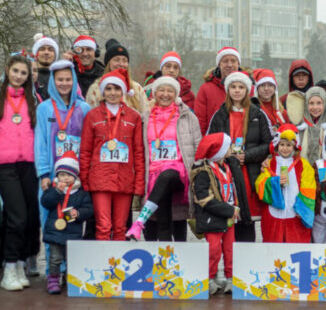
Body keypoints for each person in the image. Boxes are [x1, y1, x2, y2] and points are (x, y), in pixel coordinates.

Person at [125, 77, 201, 241]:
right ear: (154, 93)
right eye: (161, 90)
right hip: (153, 173)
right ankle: (164, 245)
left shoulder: (187, 117)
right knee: (162, 187)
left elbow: (198, 149)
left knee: (166, 176)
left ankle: (140, 221)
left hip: (179, 173)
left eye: (170, 91)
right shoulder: (144, 118)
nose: (165, 94)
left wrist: (197, 177)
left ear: (176, 94)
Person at [34, 59, 91, 275]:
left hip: (75, 178)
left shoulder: (84, 108)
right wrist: (42, 174)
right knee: (50, 222)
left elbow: (88, 142)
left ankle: (71, 271)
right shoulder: (44, 108)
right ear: (53, 81)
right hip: (52, 175)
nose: (64, 83)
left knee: (73, 222)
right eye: (60, 80)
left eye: (68, 79)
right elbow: (40, 142)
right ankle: (53, 270)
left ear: (74, 80)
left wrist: (84, 174)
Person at [79, 68, 145, 240]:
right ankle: (104, 264)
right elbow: (85, 151)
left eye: (117, 88)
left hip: (124, 181)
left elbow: (138, 152)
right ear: (102, 92)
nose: (113, 93)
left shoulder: (133, 117)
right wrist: (85, 180)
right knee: (103, 226)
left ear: (123, 90)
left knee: (120, 227)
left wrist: (139, 183)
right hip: (99, 180)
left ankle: (117, 266)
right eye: (108, 89)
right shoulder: (92, 116)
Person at [207, 71, 272, 242]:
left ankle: (246, 262)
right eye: (233, 87)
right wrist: (227, 156)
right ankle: (230, 263)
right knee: (230, 219)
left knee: (247, 220)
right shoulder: (219, 115)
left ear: (247, 90)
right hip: (226, 174)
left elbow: (269, 145)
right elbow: (211, 143)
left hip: (248, 173)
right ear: (228, 90)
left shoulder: (258, 114)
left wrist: (248, 155)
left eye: (241, 87)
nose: (237, 90)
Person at [190, 133, 251, 295]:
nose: (231, 149)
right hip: (214, 218)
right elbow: (203, 199)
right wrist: (229, 210)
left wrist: (236, 209)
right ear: (219, 151)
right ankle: (209, 278)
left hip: (230, 217)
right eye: (228, 147)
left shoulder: (228, 165)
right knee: (214, 250)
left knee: (230, 249)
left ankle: (231, 278)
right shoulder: (203, 171)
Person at [0, 55, 40, 291]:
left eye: (23, 73)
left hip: (29, 164)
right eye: (15, 71)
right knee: (17, 217)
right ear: (7, 70)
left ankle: (19, 264)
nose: (18, 76)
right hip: (5, 166)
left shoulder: (32, 100)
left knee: (28, 217)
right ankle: (9, 268)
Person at [40, 151, 93, 294]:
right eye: (61, 175)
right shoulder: (53, 190)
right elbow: (45, 202)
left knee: (72, 258)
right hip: (55, 231)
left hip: (73, 232)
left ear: (75, 176)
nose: (65, 178)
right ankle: (53, 280)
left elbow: (89, 209)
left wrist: (79, 213)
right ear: (57, 176)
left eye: (68, 175)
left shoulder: (81, 193)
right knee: (55, 258)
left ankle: (71, 280)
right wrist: (57, 192)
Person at [255, 124, 316, 243]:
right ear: (277, 145)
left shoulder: (304, 165)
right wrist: (275, 183)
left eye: (289, 145)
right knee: (274, 253)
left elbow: (309, 188)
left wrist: (302, 209)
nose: (285, 148)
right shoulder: (270, 163)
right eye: (282, 144)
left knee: (296, 252)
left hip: (295, 215)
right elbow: (260, 186)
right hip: (273, 216)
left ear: (295, 147)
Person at [85, 39, 149, 114]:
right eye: (116, 60)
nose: (121, 64)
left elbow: (146, 115)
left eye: (124, 60)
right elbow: (90, 118)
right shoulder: (96, 88)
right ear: (108, 63)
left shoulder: (136, 88)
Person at [195, 47, 241, 135]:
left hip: (242, 143)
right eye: (225, 61)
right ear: (219, 64)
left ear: (238, 64)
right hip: (215, 142)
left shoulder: (249, 89)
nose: (229, 65)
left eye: (233, 61)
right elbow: (200, 122)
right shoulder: (206, 89)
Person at [251, 68, 287, 132]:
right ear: (257, 88)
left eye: (270, 85)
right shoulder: (252, 109)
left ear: (275, 88)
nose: (266, 89)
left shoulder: (282, 112)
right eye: (262, 85)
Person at [32, 33, 59, 100]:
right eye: (42, 49)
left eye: (50, 50)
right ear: (36, 54)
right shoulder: (28, 75)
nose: (46, 52)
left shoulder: (60, 77)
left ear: (55, 55)